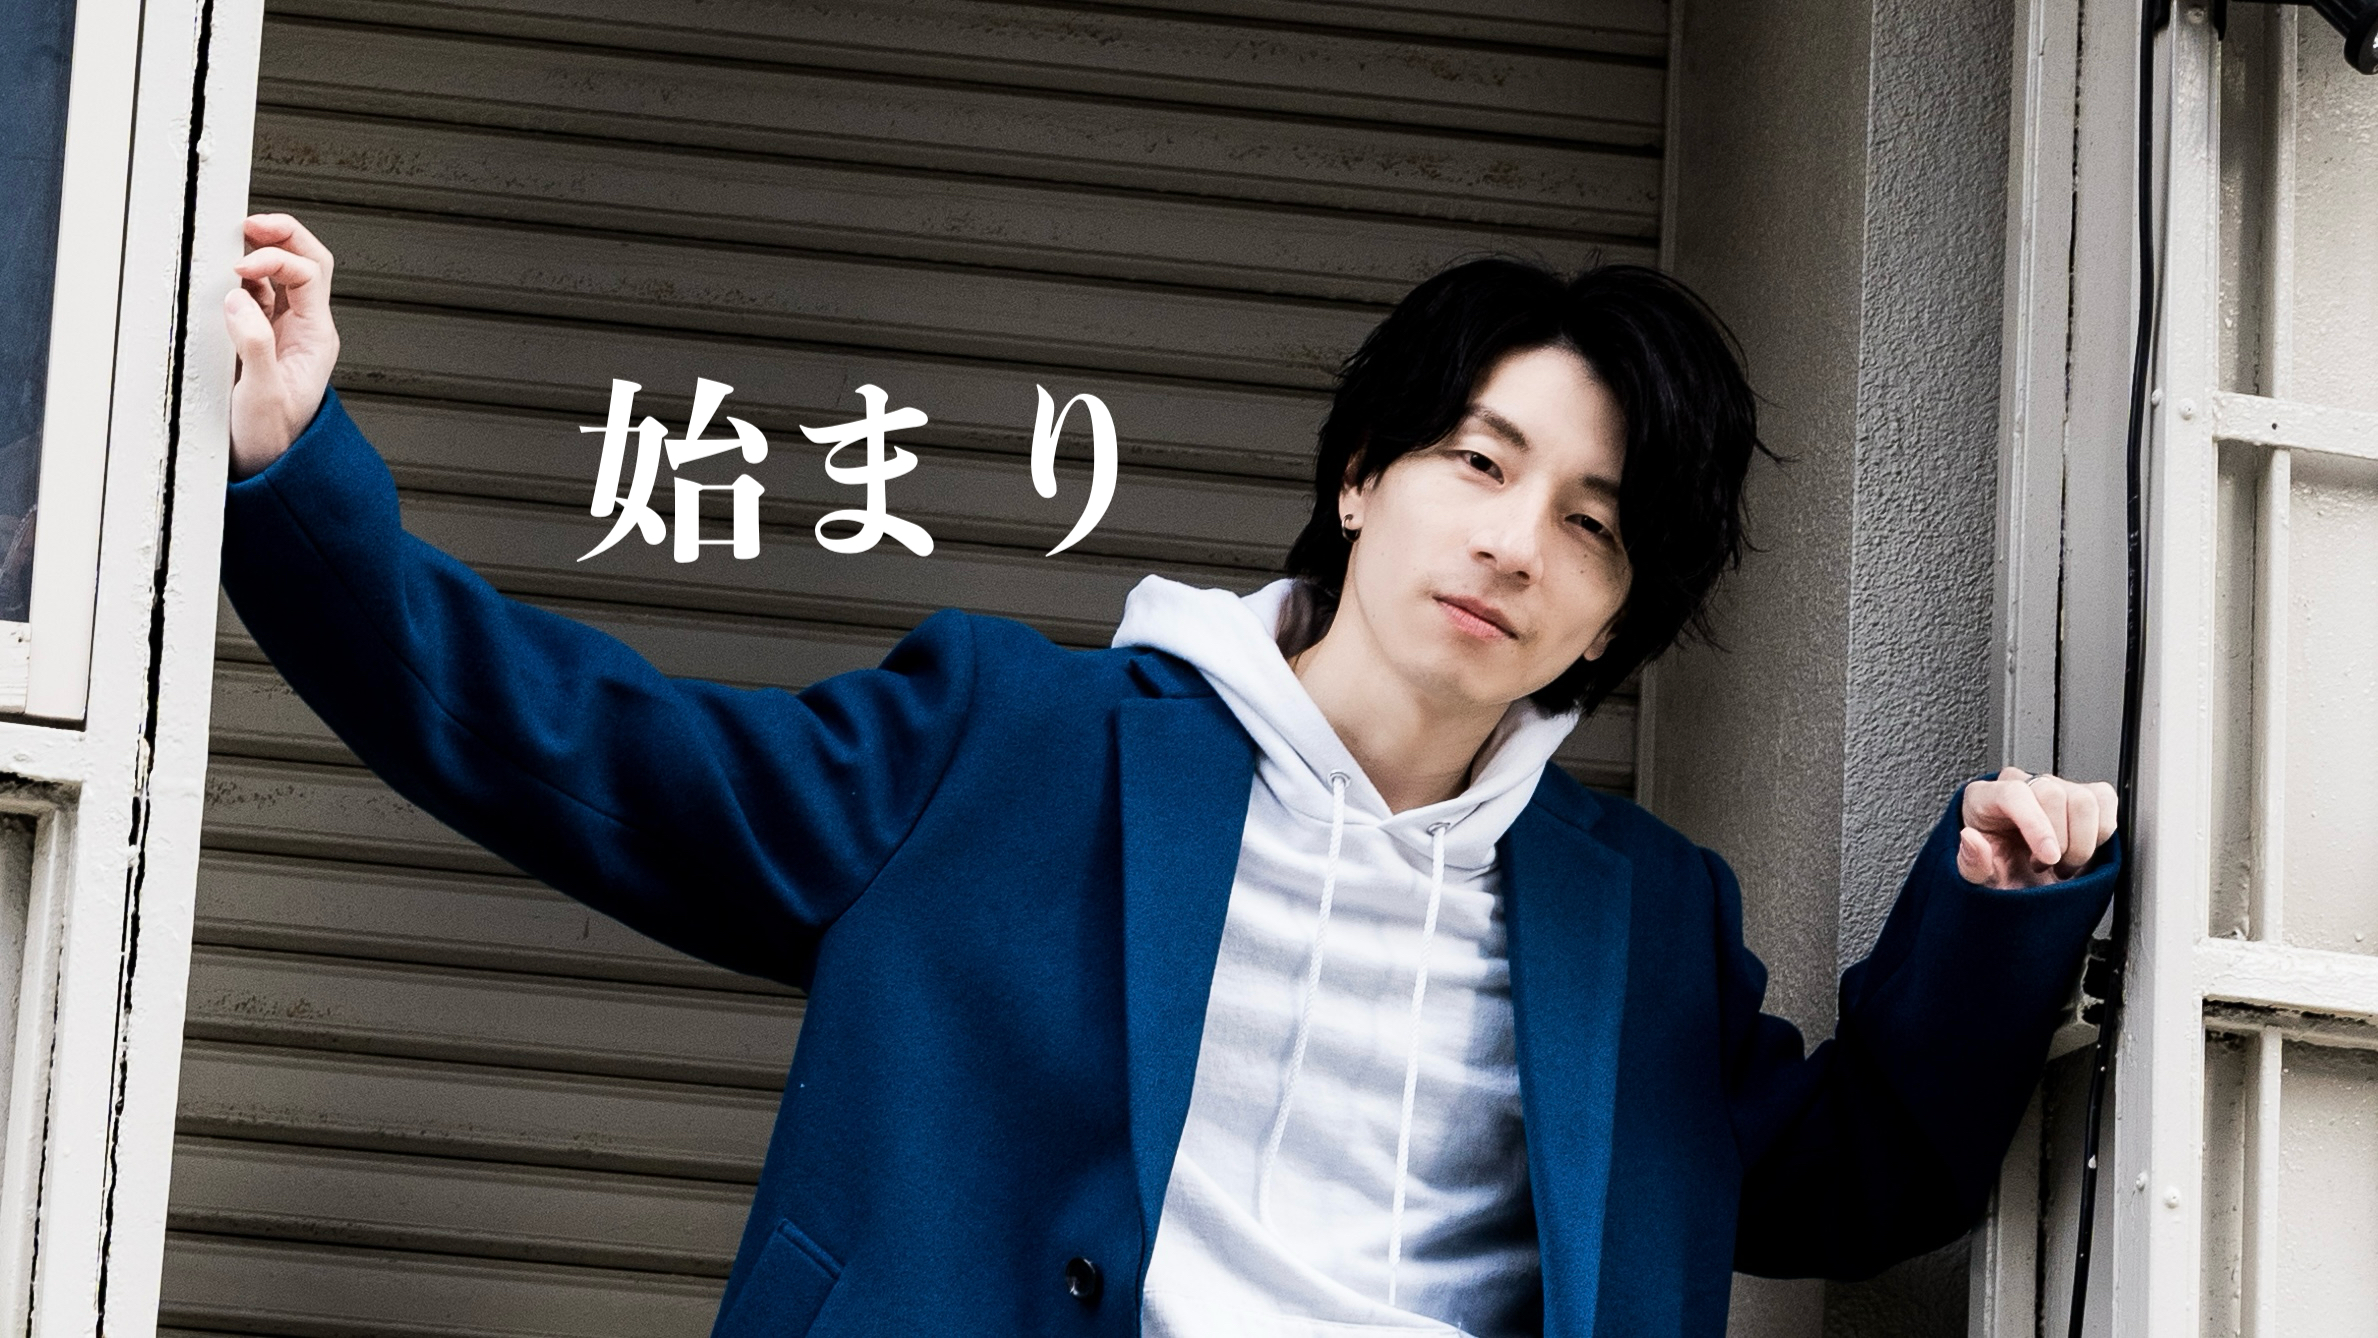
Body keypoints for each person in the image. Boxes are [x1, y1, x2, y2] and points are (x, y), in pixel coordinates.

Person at [217, 212, 2120, 1338]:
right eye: (1476, 460)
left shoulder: (1642, 926)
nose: (1512, 539)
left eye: (1590, 522)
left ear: (1612, 619)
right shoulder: (1016, 745)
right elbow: (593, 758)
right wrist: (294, 475)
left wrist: (1997, 911)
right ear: (1360, 477)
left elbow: (1843, 1181)